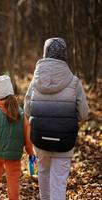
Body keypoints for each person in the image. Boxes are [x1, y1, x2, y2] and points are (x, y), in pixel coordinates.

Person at [24, 38, 89, 200]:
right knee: (58, 183)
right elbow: (83, 114)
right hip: (64, 141)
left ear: (45, 53)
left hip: (40, 139)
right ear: (64, 55)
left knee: (44, 175)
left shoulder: (35, 82)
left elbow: (27, 110)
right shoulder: (74, 82)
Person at [0, 75, 34, 200]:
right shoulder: (21, 113)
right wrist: (30, 152)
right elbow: (28, 136)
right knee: (13, 179)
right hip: (14, 154)